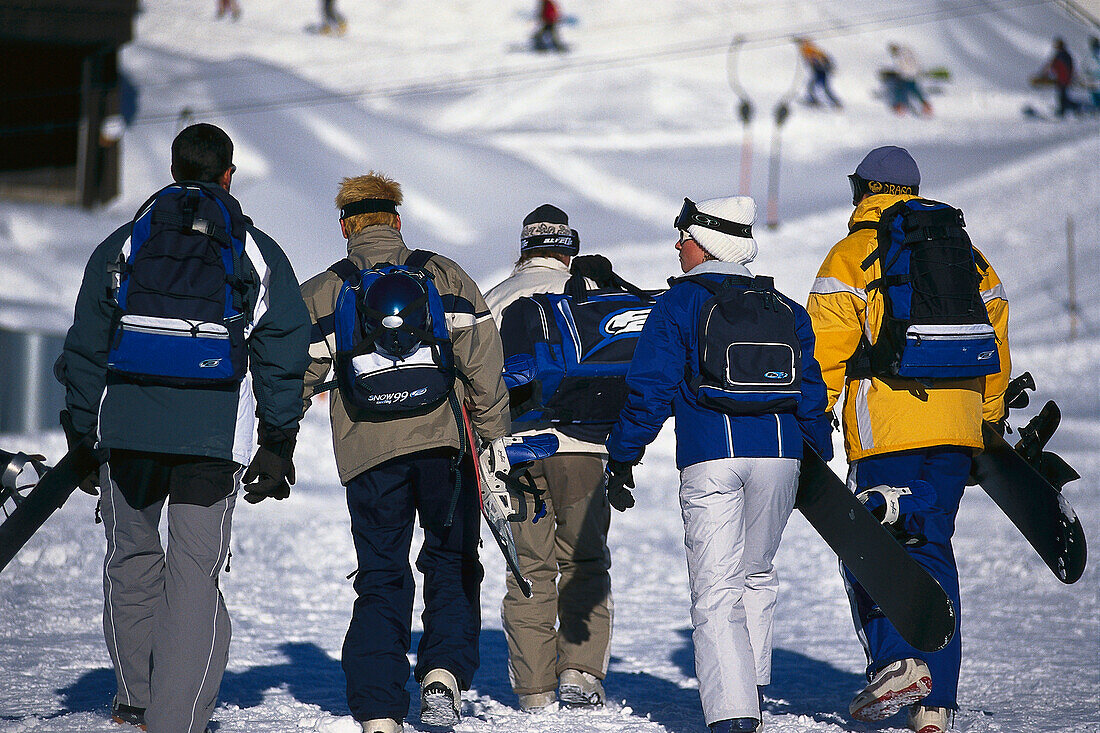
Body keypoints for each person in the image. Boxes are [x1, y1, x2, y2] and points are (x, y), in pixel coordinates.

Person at [58, 122, 311, 732]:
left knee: (132, 559)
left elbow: (89, 339)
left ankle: (136, 702)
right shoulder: (252, 248)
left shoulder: (128, 241)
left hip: (126, 428)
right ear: (228, 174)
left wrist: (81, 428)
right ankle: (175, 721)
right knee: (194, 575)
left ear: (173, 171)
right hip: (208, 438)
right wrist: (277, 442)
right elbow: (283, 348)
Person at [604, 197, 832, 733]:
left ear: (705, 242)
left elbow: (650, 387)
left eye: (682, 235)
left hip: (712, 457)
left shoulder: (679, 304)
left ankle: (733, 716)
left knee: (716, 588)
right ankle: (749, 687)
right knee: (756, 575)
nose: (678, 245)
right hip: (781, 458)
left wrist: (623, 452)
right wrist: (816, 456)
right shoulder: (784, 307)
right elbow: (812, 392)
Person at [806, 146, 1011, 733]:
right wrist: (985, 422)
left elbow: (828, 351)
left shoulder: (852, 254)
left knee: (872, 548)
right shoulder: (966, 252)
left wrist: (813, 424)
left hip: (888, 428)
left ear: (864, 189)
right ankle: (937, 704)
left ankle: (898, 663)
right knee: (933, 547)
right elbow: (995, 336)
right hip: (956, 427)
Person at [299, 172, 510, 733]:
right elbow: (484, 365)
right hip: (446, 450)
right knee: (452, 561)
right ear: (397, 219)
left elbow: (291, 377)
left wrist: (273, 440)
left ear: (346, 225)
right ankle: (441, 678)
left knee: (381, 573)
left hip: (368, 455)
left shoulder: (323, 291)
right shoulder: (445, 276)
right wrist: (491, 440)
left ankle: (378, 712)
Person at [484, 205, 613, 712]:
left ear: (525, 248)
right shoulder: (593, 296)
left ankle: (535, 689)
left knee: (529, 567)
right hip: (584, 448)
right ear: (568, 248)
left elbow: (477, 380)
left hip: (517, 453)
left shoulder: (496, 299)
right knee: (583, 561)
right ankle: (581, 673)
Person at [796, 37, 842, 109]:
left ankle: (836, 102)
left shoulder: (809, 50)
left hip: (821, 71)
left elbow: (819, 58)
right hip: (818, 71)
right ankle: (816, 100)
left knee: (823, 88)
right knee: (813, 87)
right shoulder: (807, 50)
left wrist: (824, 65)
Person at [887, 43, 932, 116]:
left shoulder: (898, 55)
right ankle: (925, 105)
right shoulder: (908, 51)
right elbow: (917, 62)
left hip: (905, 75)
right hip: (913, 74)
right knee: (914, 89)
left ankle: (900, 107)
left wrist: (899, 73)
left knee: (900, 90)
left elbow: (899, 66)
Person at [1043, 37, 1083, 117]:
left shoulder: (1062, 55)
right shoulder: (1064, 54)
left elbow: (1054, 66)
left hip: (1063, 78)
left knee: (1062, 95)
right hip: (1062, 78)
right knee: (1062, 95)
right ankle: (1071, 107)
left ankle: (1068, 109)